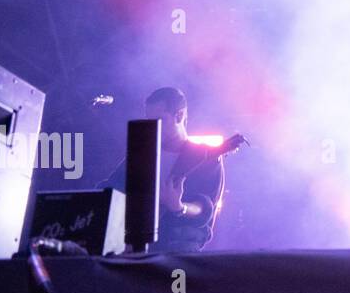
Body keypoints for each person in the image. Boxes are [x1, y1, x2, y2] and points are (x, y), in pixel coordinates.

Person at [99, 87, 245, 252]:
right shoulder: (142, 154)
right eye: (149, 121)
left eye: (160, 120)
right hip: (136, 243)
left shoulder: (206, 157)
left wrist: (179, 206)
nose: (153, 126)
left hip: (178, 245)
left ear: (180, 116)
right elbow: (111, 187)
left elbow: (204, 206)